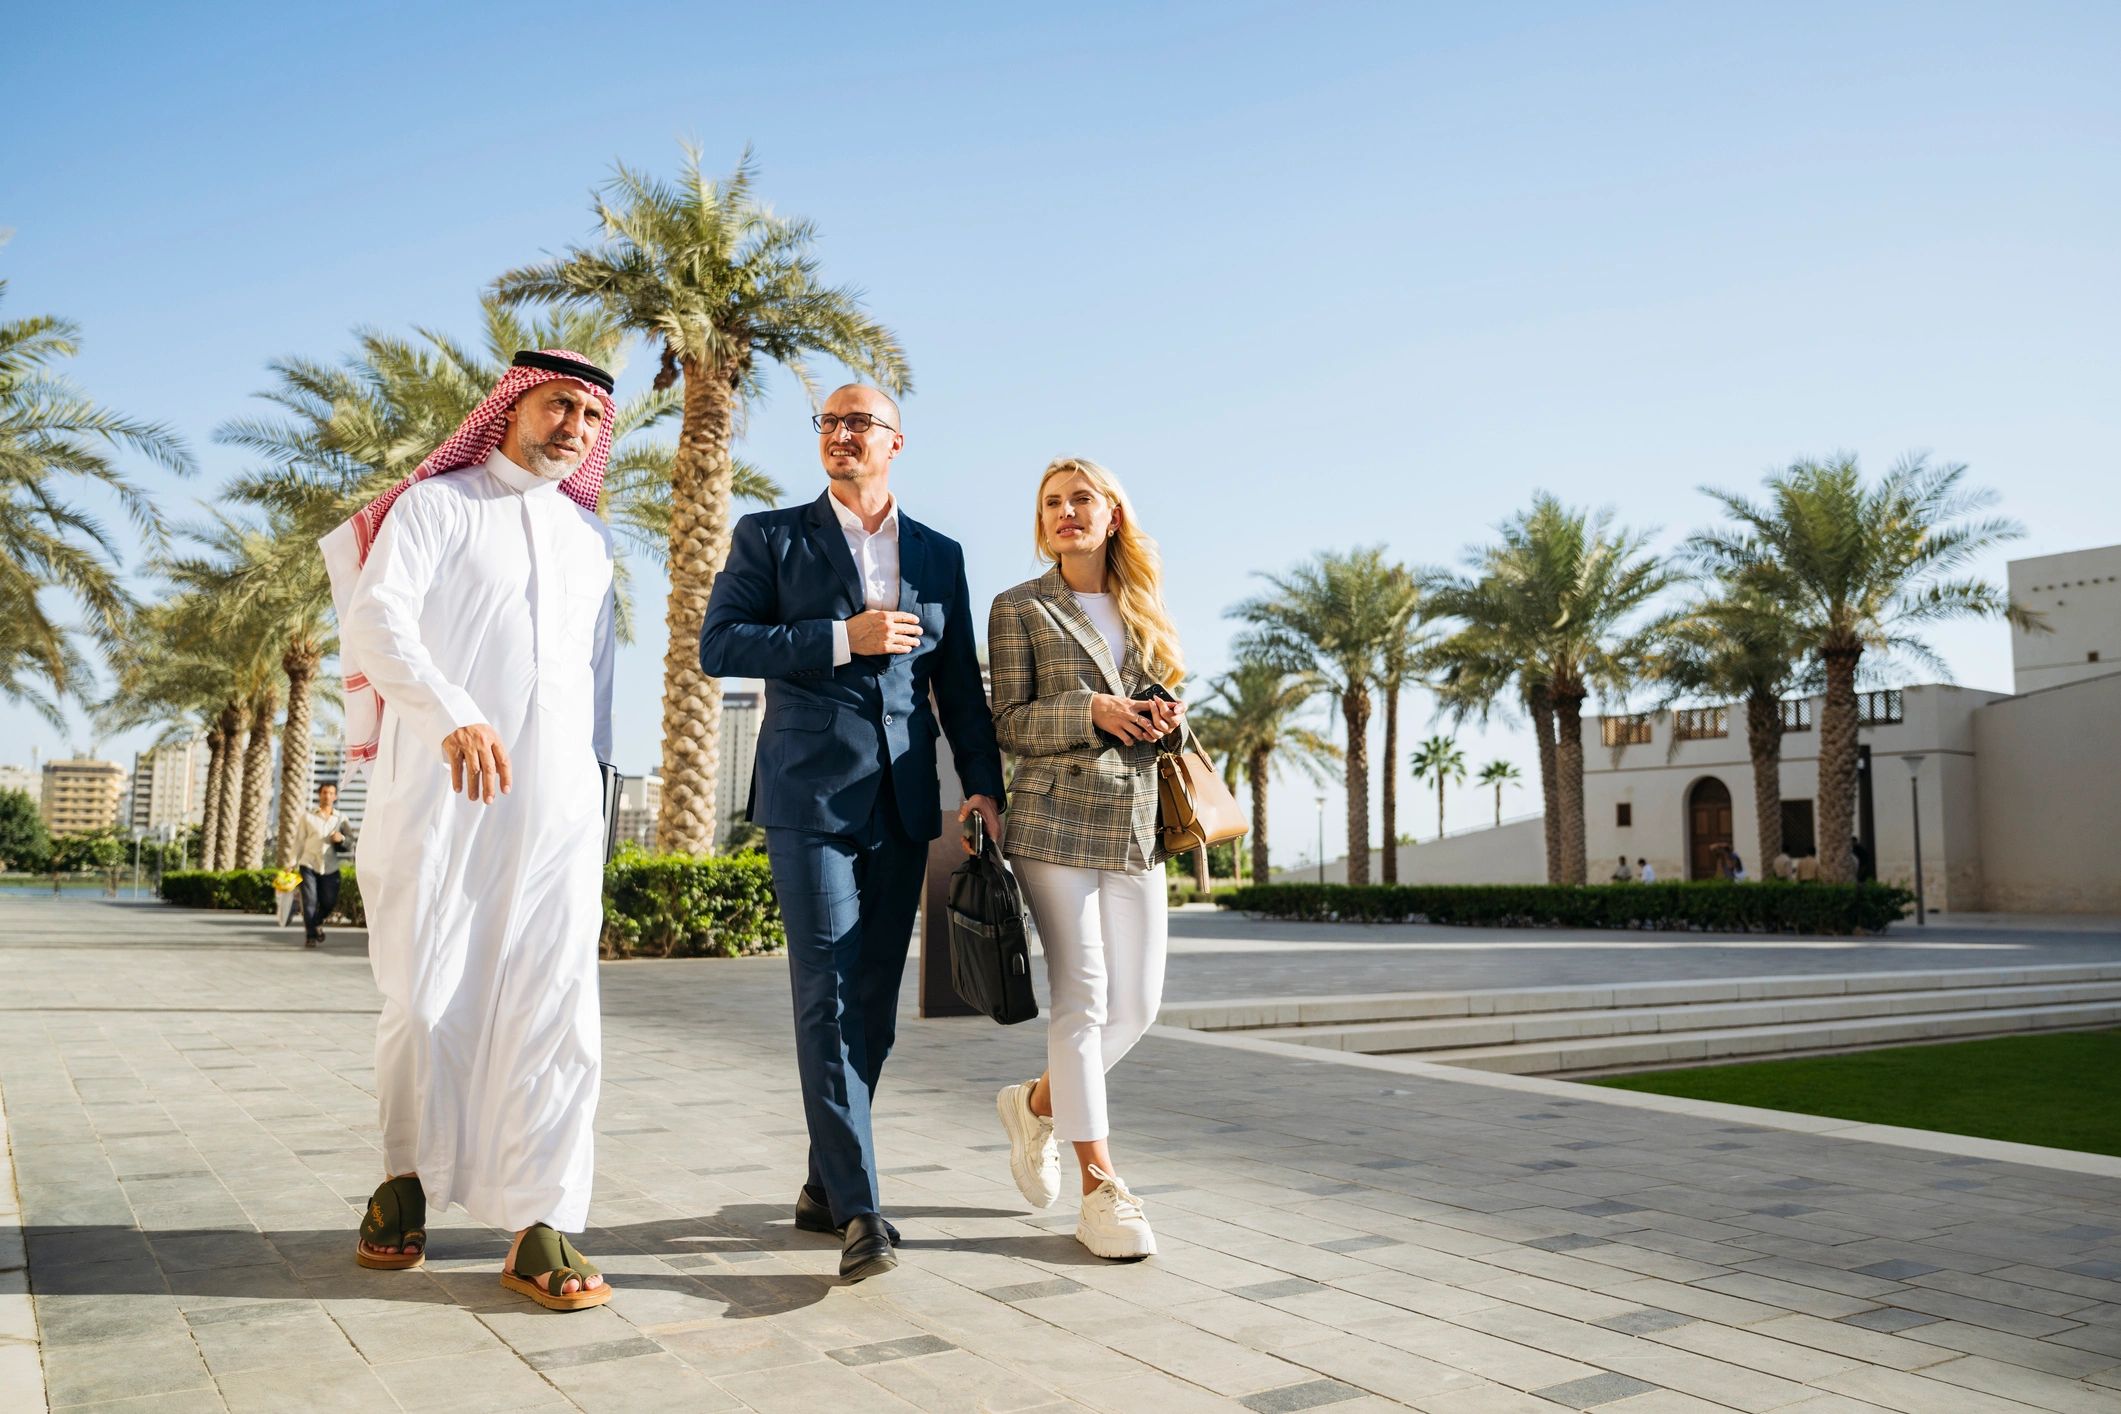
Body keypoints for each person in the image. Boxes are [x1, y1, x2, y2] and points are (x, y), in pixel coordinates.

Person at [322, 350, 619, 1311]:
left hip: (560, 810)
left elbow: (586, 682)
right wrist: (452, 710)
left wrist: (593, 793)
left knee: (558, 1004)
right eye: (554, 404)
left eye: (586, 412)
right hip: (440, 799)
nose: (572, 424)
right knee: (422, 993)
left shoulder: (587, 538)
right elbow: (377, 624)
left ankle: (542, 1220)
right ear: (509, 411)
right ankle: (404, 1180)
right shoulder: (438, 506)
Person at [699, 385, 1004, 1282]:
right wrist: (841, 638)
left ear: (894, 442)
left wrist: (981, 789)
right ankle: (862, 1211)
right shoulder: (770, 535)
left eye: (857, 423)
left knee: (872, 1009)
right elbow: (722, 644)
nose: (840, 435)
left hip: (905, 806)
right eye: (828, 424)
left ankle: (821, 1187)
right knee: (826, 990)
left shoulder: (940, 556)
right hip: (806, 799)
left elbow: (961, 692)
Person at [988, 457, 1186, 1262]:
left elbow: (1161, 710)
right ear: (1042, 523)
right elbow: (1007, 720)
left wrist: (1162, 718)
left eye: (1081, 500)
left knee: (1137, 1006)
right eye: (1051, 503)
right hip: (1053, 820)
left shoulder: (1144, 608)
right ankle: (1100, 1188)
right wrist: (1092, 710)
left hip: (1136, 820)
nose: (1066, 512)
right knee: (1083, 1001)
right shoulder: (1018, 607)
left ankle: (1034, 1103)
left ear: (1112, 516)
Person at [295, 781, 353, 947]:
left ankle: (316, 922)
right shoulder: (308, 817)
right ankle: (311, 936)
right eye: (324, 792)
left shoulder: (341, 818)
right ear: (319, 795)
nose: (327, 796)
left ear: (335, 796)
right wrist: (291, 863)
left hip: (330, 866)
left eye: (330, 793)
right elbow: (299, 841)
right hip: (308, 864)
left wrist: (340, 838)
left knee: (329, 902)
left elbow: (350, 840)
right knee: (309, 901)